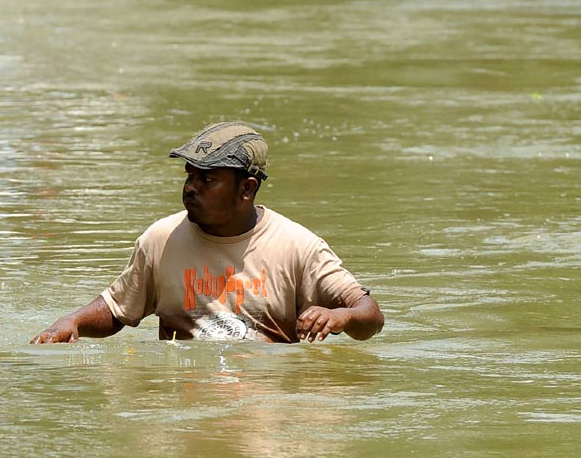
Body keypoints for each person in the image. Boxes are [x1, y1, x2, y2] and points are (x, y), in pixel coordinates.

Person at [31, 121, 384, 344]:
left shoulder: (297, 246)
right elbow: (118, 309)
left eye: (207, 179)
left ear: (246, 189)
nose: (190, 187)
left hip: (266, 399)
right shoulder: (161, 239)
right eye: (189, 175)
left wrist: (341, 316)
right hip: (186, 395)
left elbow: (370, 315)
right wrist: (72, 320)